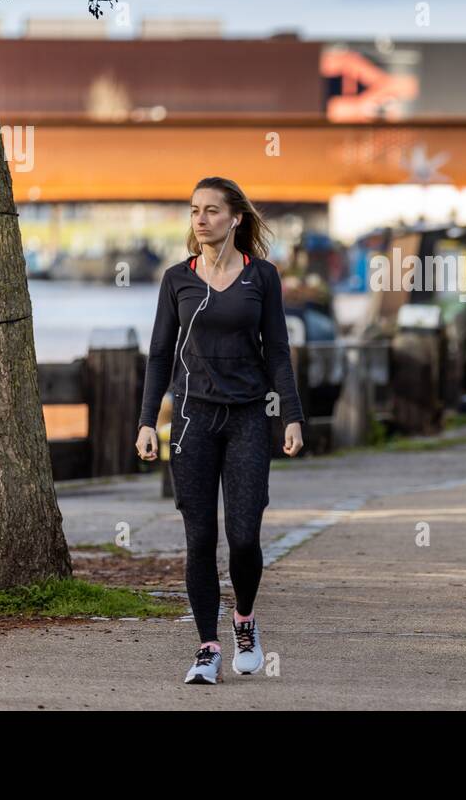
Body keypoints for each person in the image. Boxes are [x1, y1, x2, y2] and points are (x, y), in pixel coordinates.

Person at [135, 176, 305, 685]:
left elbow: (277, 350)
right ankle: (207, 646)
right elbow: (160, 354)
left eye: (211, 210)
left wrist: (291, 415)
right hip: (190, 421)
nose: (201, 219)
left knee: (245, 536)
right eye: (193, 211)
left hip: (249, 417)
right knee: (200, 535)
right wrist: (147, 421)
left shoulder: (263, 277)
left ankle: (244, 620)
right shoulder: (176, 280)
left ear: (235, 218)